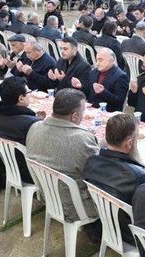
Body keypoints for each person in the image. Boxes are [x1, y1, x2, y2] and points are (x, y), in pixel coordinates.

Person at [26, 88, 99, 224]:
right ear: (74, 116)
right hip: (76, 207)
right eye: (83, 110)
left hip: (48, 196)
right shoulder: (83, 139)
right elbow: (99, 176)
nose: (84, 114)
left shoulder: (35, 127)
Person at [83, 113, 145, 243]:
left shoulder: (91, 161)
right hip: (129, 234)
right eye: (136, 139)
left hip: (105, 222)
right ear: (129, 143)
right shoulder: (139, 176)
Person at [0, 76, 41, 183]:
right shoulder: (30, 123)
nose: (30, 95)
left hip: (9, 164)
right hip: (29, 171)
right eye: (29, 92)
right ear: (21, 98)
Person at [82, 47, 129, 112]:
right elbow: (88, 92)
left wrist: (103, 92)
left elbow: (119, 101)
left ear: (111, 61)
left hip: (108, 112)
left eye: (100, 60)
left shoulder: (120, 76)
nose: (97, 63)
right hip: (92, 110)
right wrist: (80, 86)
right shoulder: (94, 72)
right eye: (96, 60)